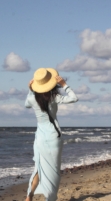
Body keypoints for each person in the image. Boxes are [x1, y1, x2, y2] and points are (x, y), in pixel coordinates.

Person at [25, 68, 78, 201]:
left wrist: (30, 90)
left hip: (40, 138)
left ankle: (29, 196)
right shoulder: (54, 97)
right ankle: (50, 198)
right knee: (53, 172)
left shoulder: (32, 98)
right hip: (53, 137)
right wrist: (64, 85)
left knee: (39, 167)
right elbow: (74, 98)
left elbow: (26, 104)